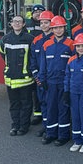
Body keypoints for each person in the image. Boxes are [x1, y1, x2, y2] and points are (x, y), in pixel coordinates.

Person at [38, 15, 75, 146]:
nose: (58, 30)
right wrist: (42, 80)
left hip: (64, 82)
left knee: (63, 108)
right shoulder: (46, 45)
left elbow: (74, 64)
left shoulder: (71, 44)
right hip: (50, 82)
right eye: (55, 28)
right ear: (52, 29)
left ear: (64, 28)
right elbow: (43, 65)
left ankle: (63, 135)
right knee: (51, 108)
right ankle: (51, 133)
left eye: (60, 27)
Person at [0, 15, 35, 136]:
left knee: (26, 104)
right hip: (11, 79)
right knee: (14, 104)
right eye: (15, 21)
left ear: (24, 24)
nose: (17, 23)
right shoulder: (5, 39)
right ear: (11, 24)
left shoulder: (30, 39)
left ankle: (24, 127)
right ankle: (15, 126)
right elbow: (2, 53)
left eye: (19, 22)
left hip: (25, 79)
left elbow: (33, 58)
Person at [29, 10, 55, 138]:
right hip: (40, 78)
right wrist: (36, 76)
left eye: (47, 22)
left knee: (52, 105)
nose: (44, 25)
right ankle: (46, 127)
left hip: (53, 79)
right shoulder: (36, 40)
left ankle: (52, 128)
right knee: (43, 103)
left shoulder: (56, 39)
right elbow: (32, 59)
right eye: (42, 23)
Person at [26, 4, 46, 126]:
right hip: (30, 61)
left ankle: (44, 114)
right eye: (36, 12)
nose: (38, 14)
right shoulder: (27, 25)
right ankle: (37, 113)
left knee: (42, 90)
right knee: (34, 91)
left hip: (41, 60)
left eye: (40, 11)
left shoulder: (46, 25)